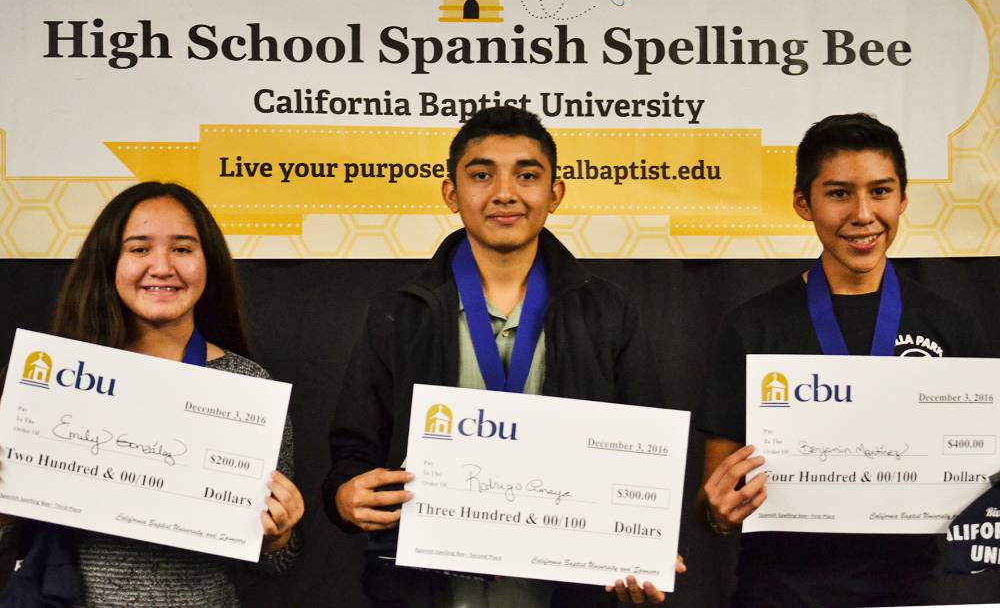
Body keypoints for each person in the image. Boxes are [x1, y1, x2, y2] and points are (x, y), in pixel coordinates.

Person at [323, 106, 679, 606]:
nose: (505, 193)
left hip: (563, 592)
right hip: (430, 591)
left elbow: (643, 458)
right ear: (452, 193)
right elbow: (353, 454)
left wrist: (645, 541)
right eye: (481, 175)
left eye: (527, 175)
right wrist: (345, 496)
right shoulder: (401, 312)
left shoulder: (607, 312)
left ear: (555, 194)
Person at [696, 113, 991, 607]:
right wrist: (718, 514)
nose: (862, 214)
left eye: (880, 191)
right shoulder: (754, 327)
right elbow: (715, 495)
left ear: (902, 199)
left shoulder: (951, 326)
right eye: (838, 193)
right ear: (802, 203)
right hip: (781, 593)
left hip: (916, 590)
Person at [0, 182, 304, 606]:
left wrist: (279, 534)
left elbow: (275, 563)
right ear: (109, 264)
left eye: (182, 249)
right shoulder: (52, 380)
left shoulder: (248, 385)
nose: (162, 267)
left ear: (208, 263)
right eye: (139, 249)